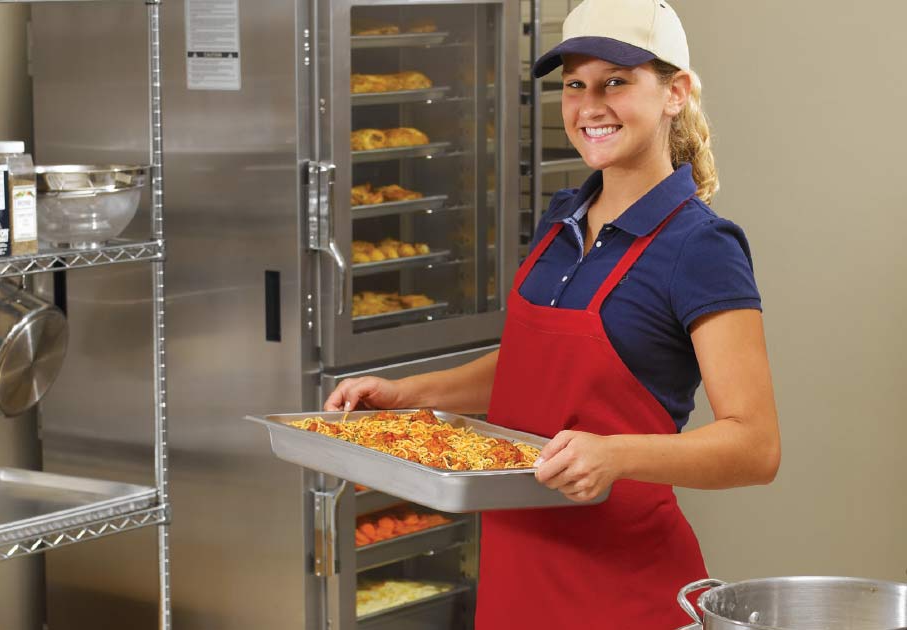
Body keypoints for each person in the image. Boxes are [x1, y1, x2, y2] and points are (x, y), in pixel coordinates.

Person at [325, 0, 781, 626]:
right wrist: (408, 395)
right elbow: (536, 366)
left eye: (615, 81)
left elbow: (755, 447)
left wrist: (616, 455)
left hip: (622, 587)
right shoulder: (562, 216)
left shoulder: (700, 246)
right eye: (574, 84)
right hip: (517, 571)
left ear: (676, 92)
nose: (589, 105)